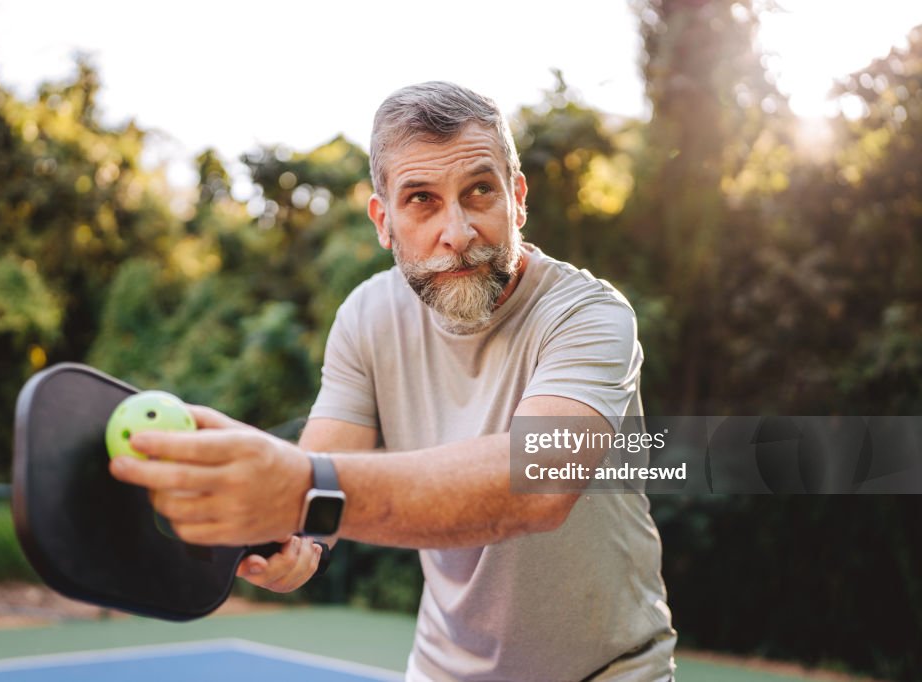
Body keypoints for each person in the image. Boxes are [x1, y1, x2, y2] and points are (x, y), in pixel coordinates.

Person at [109, 81, 676, 681]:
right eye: (422, 200)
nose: (456, 232)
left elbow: (537, 482)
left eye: (479, 191)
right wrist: (295, 538)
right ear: (384, 221)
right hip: (441, 670)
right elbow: (323, 473)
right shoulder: (366, 315)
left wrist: (294, 485)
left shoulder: (589, 314)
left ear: (517, 198)